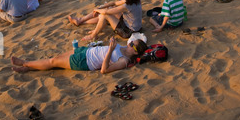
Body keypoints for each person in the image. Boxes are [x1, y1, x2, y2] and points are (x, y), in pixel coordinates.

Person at [11, 36, 147, 74]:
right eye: (130, 42)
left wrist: (111, 50)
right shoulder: (124, 47)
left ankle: (25, 63)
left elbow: (104, 70)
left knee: (53, 62)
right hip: (86, 51)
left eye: (131, 44)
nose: (128, 44)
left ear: (135, 51)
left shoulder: (123, 61)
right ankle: (29, 67)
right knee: (56, 58)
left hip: (85, 61)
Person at [69, 0, 143, 42]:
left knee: (105, 15)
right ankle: (86, 24)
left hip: (129, 32)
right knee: (109, 9)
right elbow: (114, 3)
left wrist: (96, 10)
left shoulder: (127, 5)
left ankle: (93, 35)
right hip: (134, 27)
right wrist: (100, 8)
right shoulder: (134, 0)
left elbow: (106, 12)